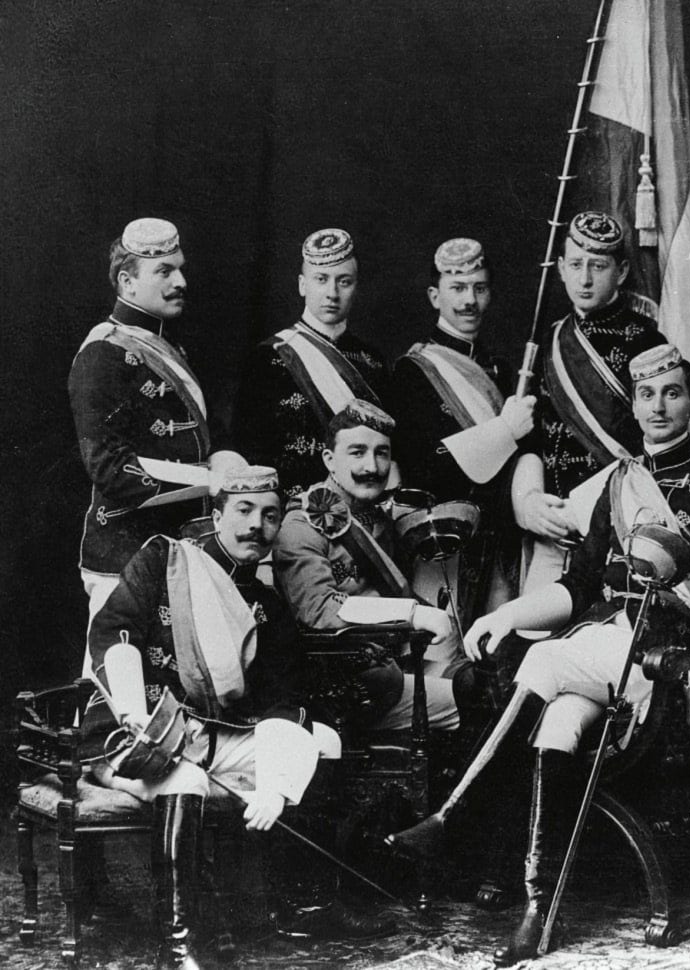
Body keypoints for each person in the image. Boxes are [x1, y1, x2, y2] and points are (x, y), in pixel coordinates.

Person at [387, 344, 690, 965]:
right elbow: (579, 589)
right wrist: (507, 613)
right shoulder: (617, 484)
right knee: (556, 724)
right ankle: (539, 908)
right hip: (605, 654)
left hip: (671, 661)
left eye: (673, 393)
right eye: (647, 395)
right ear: (634, 408)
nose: (659, 407)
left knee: (542, 663)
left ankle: (455, 816)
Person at [81, 465, 367, 969]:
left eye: (271, 515)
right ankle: (178, 944)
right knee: (185, 778)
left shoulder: (267, 607)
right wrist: (133, 714)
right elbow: (114, 631)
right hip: (135, 730)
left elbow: (285, 698)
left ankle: (304, 906)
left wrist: (276, 783)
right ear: (216, 515)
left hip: (214, 736)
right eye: (244, 510)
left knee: (324, 741)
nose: (257, 525)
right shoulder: (162, 561)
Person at [69, 217, 246, 662]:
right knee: (115, 691)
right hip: (124, 556)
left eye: (180, 269)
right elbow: (107, 466)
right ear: (127, 281)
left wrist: (225, 458)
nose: (180, 281)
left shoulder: (172, 348)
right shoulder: (101, 354)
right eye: (164, 272)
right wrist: (208, 482)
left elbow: (205, 432)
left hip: (181, 548)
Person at [273, 399, 476, 732]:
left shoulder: (376, 517)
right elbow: (318, 609)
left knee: (482, 678)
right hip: (346, 684)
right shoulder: (302, 524)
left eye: (381, 453)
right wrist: (412, 613)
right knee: (475, 702)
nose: (372, 467)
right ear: (329, 460)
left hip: (390, 662)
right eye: (357, 453)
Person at [511, 211, 665, 595]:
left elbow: (656, 442)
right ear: (560, 267)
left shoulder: (647, 341)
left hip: (619, 527)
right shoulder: (548, 342)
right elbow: (531, 439)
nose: (584, 279)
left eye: (598, 266)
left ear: (622, 270)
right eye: (576, 265)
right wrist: (529, 503)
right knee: (528, 640)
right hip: (553, 529)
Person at [391, 238, 535, 630]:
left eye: (479, 288)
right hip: (443, 543)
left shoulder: (503, 370)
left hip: (503, 538)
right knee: (443, 658)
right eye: (457, 289)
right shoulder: (412, 372)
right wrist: (504, 430)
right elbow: (425, 467)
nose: (469, 300)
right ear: (435, 296)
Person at [234, 228, 392, 496]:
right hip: (293, 510)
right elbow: (248, 448)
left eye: (344, 281)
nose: (332, 293)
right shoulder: (268, 357)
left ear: (356, 287)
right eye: (321, 279)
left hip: (362, 506)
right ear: (302, 285)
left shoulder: (373, 361)